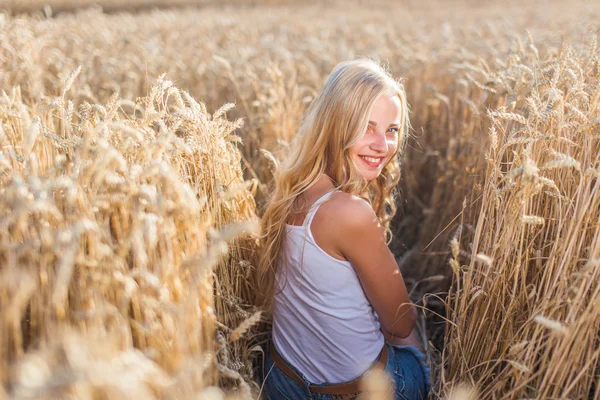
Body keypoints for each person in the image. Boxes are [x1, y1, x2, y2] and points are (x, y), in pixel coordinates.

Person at [256, 58, 431, 400]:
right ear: (336, 125)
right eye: (367, 127)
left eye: (391, 130)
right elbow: (400, 323)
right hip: (351, 393)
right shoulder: (350, 213)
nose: (382, 145)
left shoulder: (291, 191)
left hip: (281, 382)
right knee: (415, 351)